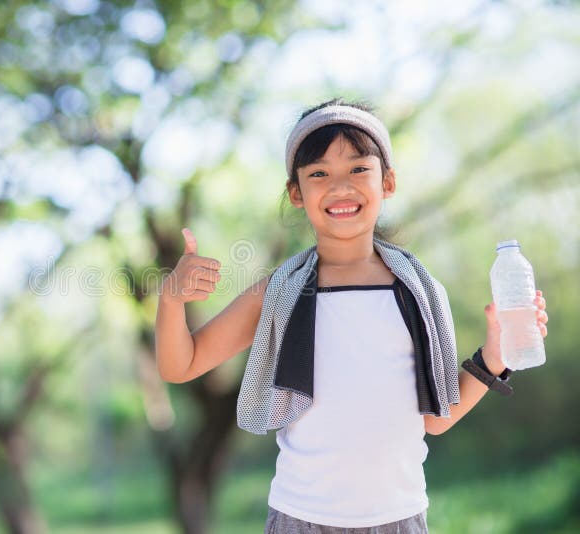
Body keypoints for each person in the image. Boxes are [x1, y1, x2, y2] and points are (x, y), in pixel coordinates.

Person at [154, 97, 549, 533]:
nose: (340, 186)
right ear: (296, 193)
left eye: (358, 169)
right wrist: (171, 301)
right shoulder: (278, 292)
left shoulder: (418, 292)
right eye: (319, 173)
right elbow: (181, 364)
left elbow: (436, 419)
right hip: (300, 520)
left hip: (399, 520)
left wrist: (496, 355)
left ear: (388, 181)